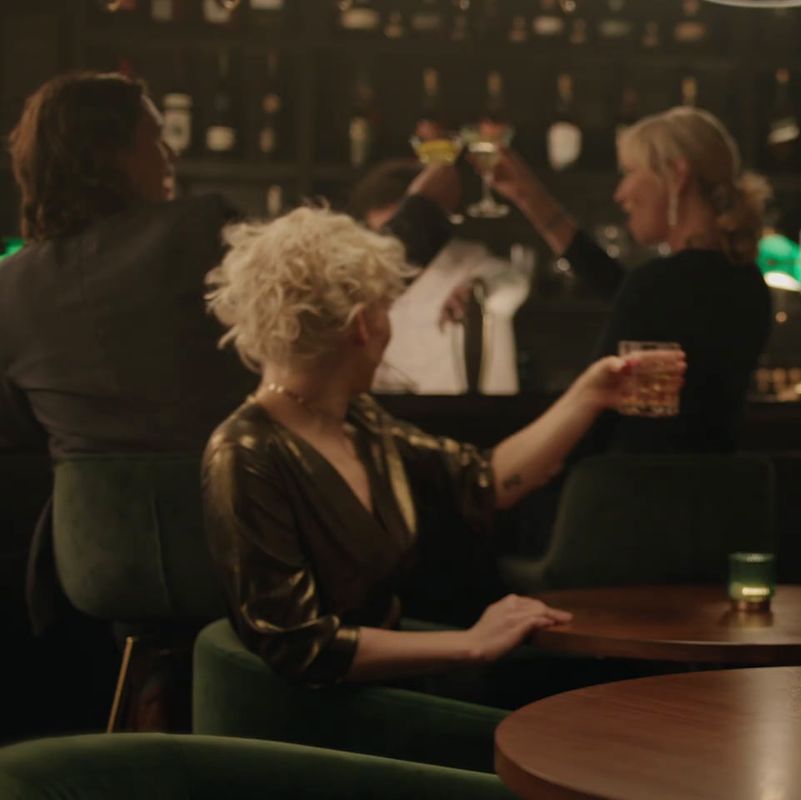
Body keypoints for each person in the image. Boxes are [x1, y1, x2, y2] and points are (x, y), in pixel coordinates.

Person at [200, 206, 683, 691]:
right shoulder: (245, 451)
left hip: (389, 692)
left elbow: (482, 480)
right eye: (388, 308)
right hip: (336, 723)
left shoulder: (357, 421)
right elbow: (300, 647)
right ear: (363, 325)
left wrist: (593, 393)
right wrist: (470, 644)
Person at [0, 72, 459, 458]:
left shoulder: (11, 289)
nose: (170, 156)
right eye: (154, 139)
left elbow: (20, 443)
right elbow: (335, 293)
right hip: (241, 527)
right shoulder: (195, 234)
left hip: (87, 558)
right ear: (110, 156)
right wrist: (424, 209)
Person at [486, 106, 771, 454]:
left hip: (632, 497)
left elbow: (592, 420)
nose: (620, 194)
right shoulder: (746, 282)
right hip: (712, 499)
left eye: (630, 172)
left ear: (676, 175)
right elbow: (623, 288)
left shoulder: (659, 285)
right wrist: (528, 196)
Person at [350, 159, 530, 395]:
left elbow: (514, 285)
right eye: (385, 233)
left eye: (405, 229)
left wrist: (477, 290)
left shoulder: (467, 259)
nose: (396, 244)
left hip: (470, 418)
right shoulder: (370, 280)